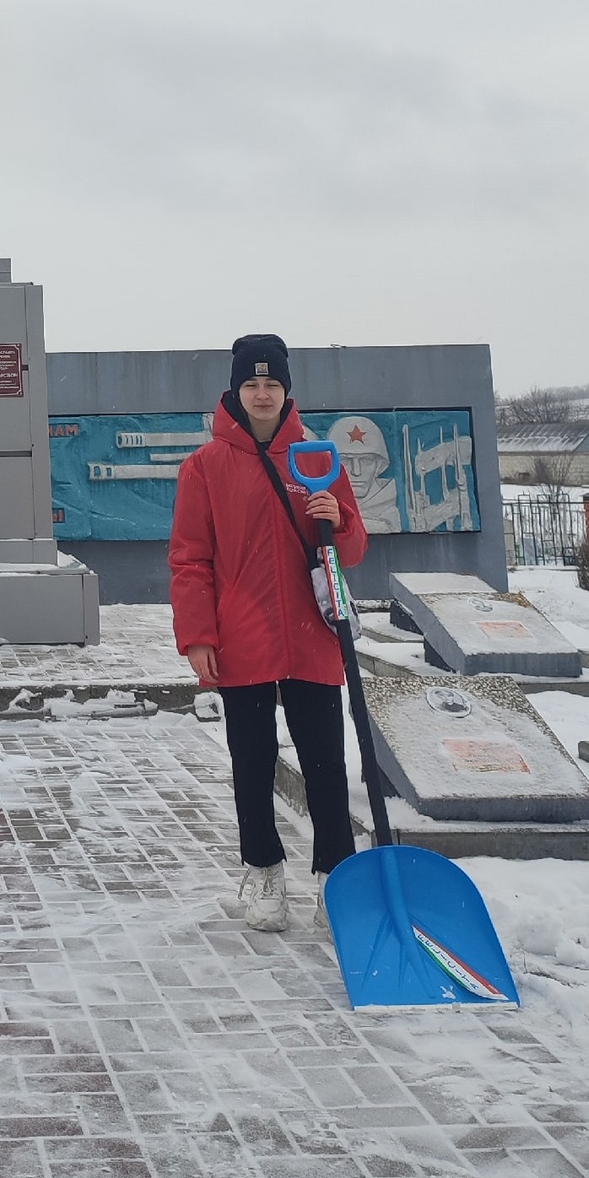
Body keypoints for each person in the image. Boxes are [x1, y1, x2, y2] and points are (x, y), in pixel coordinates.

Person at [169, 333, 367, 932]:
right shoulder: (203, 468)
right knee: (250, 764)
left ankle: (336, 882)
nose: (261, 394)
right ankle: (265, 877)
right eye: (251, 384)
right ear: (234, 390)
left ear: (286, 391)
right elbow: (190, 560)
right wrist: (198, 634)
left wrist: (337, 521)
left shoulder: (314, 456)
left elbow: (352, 549)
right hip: (242, 637)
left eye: (272, 384)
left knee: (326, 765)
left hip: (310, 635)